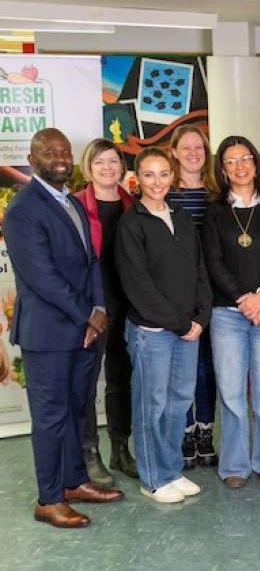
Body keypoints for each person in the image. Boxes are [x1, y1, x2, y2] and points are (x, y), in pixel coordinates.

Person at [6, 128, 124, 528]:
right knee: (52, 417)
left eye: (64, 151)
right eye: (49, 151)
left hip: (82, 329)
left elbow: (91, 260)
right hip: (48, 334)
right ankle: (49, 498)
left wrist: (98, 308)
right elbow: (42, 275)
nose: (59, 157)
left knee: (76, 410)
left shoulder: (69, 201)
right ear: (33, 157)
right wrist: (86, 315)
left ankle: (75, 481)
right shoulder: (23, 209)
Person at [117, 147, 212, 503]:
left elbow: (200, 271)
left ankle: (172, 469)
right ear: (137, 179)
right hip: (153, 333)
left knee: (179, 401)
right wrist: (180, 323)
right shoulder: (131, 223)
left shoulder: (183, 218)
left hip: (188, 330)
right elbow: (138, 285)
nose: (157, 182)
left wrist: (201, 317)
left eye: (162, 174)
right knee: (151, 406)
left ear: (171, 176)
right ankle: (153, 478)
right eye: (149, 175)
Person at [202, 136, 260, 489]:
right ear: (222, 170)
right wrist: (243, 300)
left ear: (255, 163)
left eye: (245, 159)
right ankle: (235, 464)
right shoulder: (215, 211)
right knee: (232, 391)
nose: (239, 167)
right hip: (227, 314)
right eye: (231, 161)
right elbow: (214, 261)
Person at [74, 138, 136, 483]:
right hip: (92, 306)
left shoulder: (131, 203)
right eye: (100, 162)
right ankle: (89, 451)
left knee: (120, 379)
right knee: (86, 380)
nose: (108, 167)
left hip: (126, 304)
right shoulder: (77, 206)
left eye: (113, 161)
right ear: (89, 167)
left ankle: (120, 448)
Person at [166, 124, 219, 469]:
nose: (192, 152)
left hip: (215, 293)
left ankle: (205, 432)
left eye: (198, 147)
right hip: (178, 294)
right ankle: (185, 431)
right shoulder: (164, 193)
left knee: (208, 367)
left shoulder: (217, 194)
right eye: (185, 147)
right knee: (184, 367)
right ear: (173, 152)